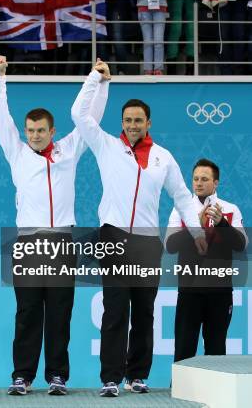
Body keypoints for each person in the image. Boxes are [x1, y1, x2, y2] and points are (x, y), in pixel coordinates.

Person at [71, 70, 208, 397]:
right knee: (115, 308)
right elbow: (78, 114)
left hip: (147, 243)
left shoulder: (163, 157)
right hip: (114, 237)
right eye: (128, 120)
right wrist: (96, 79)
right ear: (122, 122)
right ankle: (110, 378)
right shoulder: (106, 145)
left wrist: (198, 231)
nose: (132, 125)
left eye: (138, 120)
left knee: (144, 312)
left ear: (148, 123)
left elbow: (183, 197)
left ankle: (137, 375)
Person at [0, 57, 110, 396]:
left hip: (61, 241)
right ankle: (22, 376)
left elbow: (91, 120)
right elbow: (1, 120)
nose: (34, 136)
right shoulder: (17, 153)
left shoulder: (69, 150)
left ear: (52, 131)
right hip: (28, 242)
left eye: (40, 130)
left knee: (59, 314)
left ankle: (57, 375)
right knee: (27, 313)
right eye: (30, 130)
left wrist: (102, 83)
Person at [166, 159, 248, 362]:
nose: (198, 183)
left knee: (216, 349)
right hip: (189, 290)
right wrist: (196, 226)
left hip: (220, 292)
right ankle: (182, 389)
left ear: (216, 183)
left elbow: (241, 245)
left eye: (204, 179)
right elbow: (170, 245)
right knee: (184, 348)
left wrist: (222, 224)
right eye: (195, 179)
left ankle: (214, 394)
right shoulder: (180, 210)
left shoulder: (230, 209)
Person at [133, 0, 175, 75]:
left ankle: (158, 69)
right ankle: (148, 70)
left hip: (160, 7)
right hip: (143, 6)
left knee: (158, 40)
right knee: (148, 40)